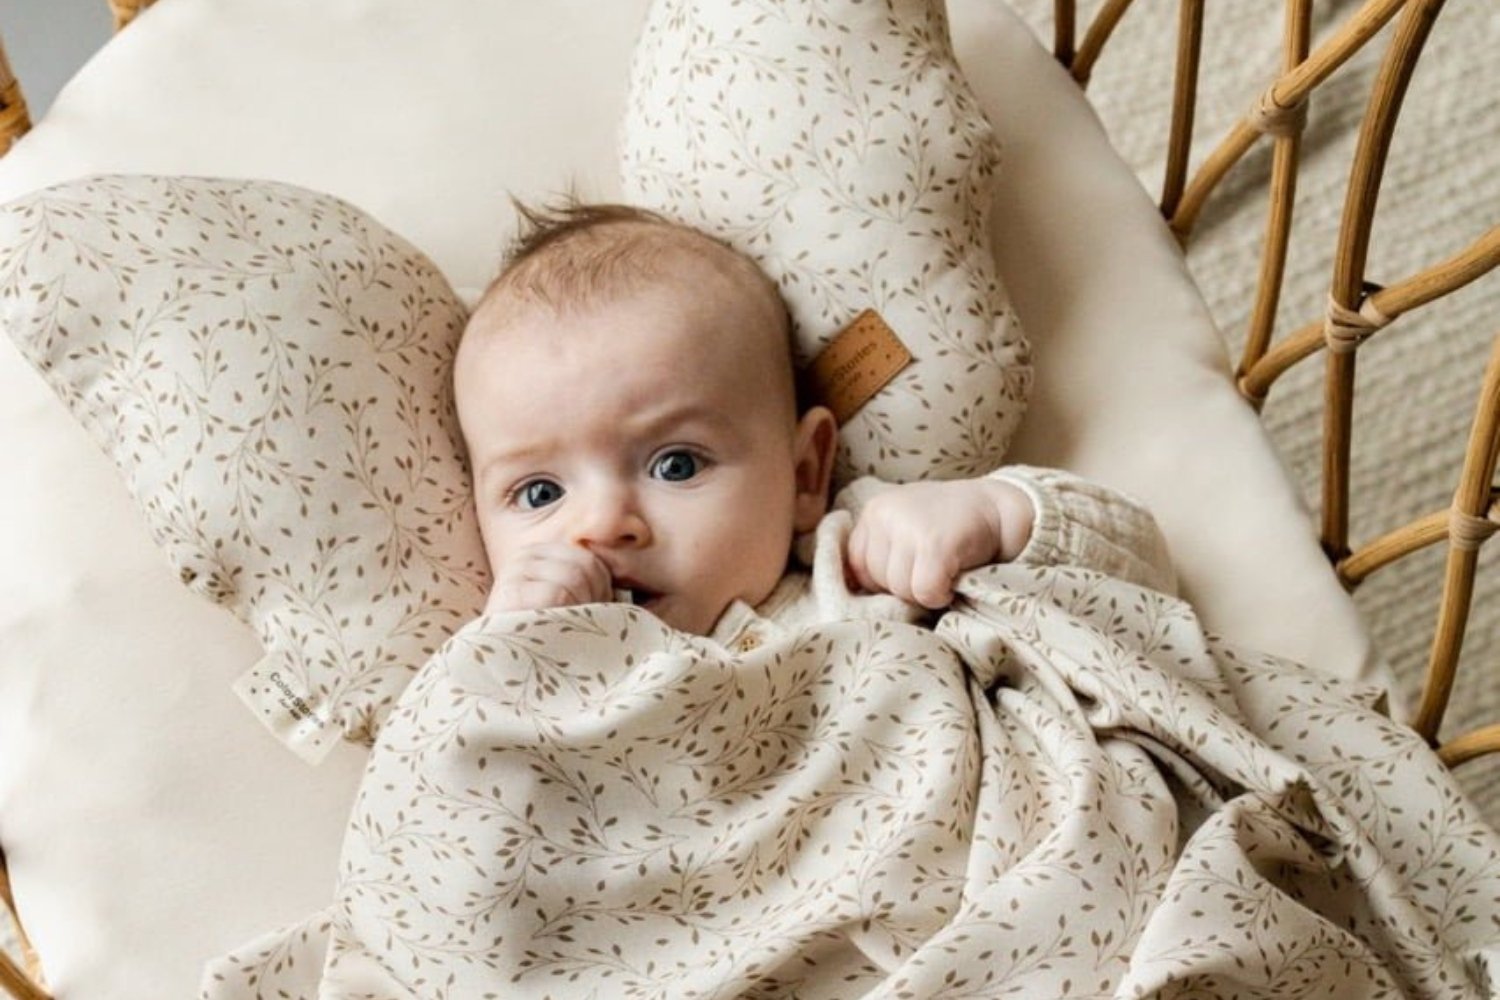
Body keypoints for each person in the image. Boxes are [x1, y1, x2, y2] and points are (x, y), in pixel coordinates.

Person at [453, 200, 1173, 647]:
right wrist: (510, 665)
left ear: (803, 474)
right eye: (541, 493)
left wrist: (995, 515)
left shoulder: (859, 563)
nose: (604, 526)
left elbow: (1143, 574)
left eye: (677, 464)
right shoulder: (525, 685)